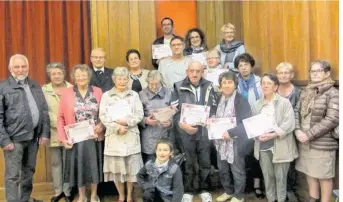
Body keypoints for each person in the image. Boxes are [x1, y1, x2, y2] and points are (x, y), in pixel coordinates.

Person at [0, 54, 50, 202]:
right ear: (10, 68)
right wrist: (4, 140)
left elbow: (44, 110)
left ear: (28, 67)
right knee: (13, 176)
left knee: (28, 173)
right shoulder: (3, 87)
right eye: (17, 67)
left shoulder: (35, 85)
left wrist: (44, 133)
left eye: (23, 66)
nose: (20, 70)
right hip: (14, 140)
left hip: (33, 138)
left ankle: (24, 199)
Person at [171, 60, 217, 202]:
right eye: (192, 71)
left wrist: (211, 118)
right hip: (185, 130)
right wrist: (182, 124)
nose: (195, 74)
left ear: (202, 72)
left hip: (204, 130)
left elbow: (214, 107)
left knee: (205, 160)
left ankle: (204, 188)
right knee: (189, 161)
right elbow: (174, 110)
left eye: (198, 71)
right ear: (187, 72)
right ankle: (189, 190)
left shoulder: (210, 85)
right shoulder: (178, 86)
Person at [58, 64, 104, 202]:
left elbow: (104, 112)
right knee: (79, 168)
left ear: (89, 77)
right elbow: (60, 117)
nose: (81, 78)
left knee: (94, 166)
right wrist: (62, 138)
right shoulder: (67, 92)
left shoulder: (97, 91)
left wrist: (101, 125)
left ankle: (94, 194)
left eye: (84, 75)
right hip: (75, 138)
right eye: (78, 76)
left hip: (93, 137)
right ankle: (82, 195)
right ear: (74, 78)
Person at [294, 60, 339, 202]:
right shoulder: (306, 91)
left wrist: (308, 134)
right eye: (312, 71)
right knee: (310, 172)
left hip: (322, 142)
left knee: (324, 176)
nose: (315, 74)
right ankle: (313, 198)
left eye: (318, 71)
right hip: (304, 141)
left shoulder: (333, 93)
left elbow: (332, 119)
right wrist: (297, 130)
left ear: (327, 73)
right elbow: (296, 111)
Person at [99, 67, 144, 202]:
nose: (122, 81)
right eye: (119, 79)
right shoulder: (106, 95)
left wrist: (126, 122)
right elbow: (103, 116)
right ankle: (121, 195)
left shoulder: (134, 95)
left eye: (125, 79)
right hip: (114, 137)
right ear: (114, 79)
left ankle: (129, 196)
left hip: (130, 135)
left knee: (131, 170)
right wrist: (117, 127)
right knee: (117, 170)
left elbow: (140, 114)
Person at [253, 74, 298, 202]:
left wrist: (273, 134)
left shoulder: (284, 102)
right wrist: (257, 134)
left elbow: (289, 124)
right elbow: (253, 124)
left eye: (269, 83)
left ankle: (281, 199)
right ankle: (271, 199)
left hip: (280, 144)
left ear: (276, 86)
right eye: (263, 83)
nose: (265, 86)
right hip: (263, 145)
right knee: (268, 176)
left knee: (281, 177)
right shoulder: (257, 104)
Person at [213, 72, 252, 202]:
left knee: (237, 170)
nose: (227, 85)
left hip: (235, 140)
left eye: (230, 82)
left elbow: (246, 122)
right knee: (223, 169)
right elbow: (213, 115)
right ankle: (228, 191)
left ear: (235, 84)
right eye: (224, 82)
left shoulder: (241, 100)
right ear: (220, 85)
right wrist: (211, 119)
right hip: (220, 141)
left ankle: (239, 195)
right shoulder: (218, 99)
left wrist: (231, 132)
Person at [234, 53, 264, 198]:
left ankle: (257, 185)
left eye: (246, 64)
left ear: (251, 65)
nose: (243, 68)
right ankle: (245, 184)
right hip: (241, 125)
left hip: (257, 122)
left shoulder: (260, 81)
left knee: (256, 156)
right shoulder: (234, 82)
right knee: (242, 155)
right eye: (240, 65)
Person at [42, 62, 73, 202]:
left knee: (68, 163)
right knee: (55, 163)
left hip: (69, 132)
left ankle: (67, 191)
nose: (56, 76)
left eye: (59, 73)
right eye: (53, 74)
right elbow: (43, 112)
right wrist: (55, 124)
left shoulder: (72, 88)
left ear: (64, 74)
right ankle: (57, 191)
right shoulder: (44, 90)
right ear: (49, 75)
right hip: (53, 132)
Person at [275, 62, 301, 202]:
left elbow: (299, 113)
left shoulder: (298, 92)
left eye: (286, 72)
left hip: (291, 132)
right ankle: (278, 192)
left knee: (290, 162)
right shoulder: (273, 89)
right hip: (274, 133)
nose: (283, 75)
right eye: (280, 73)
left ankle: (289, 190)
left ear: (292, 75)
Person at [139, 70, 173, 163]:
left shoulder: (169, 93)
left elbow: (176, 113)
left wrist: (170, 122)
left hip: (165, 133)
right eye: (151, 84)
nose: (154, 87)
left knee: (165, 164)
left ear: (161, 82)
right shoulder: (141, 94)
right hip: (149, 136)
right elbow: (137, 115)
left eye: (156, 84)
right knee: (150, 164)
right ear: (147, 82)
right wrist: (145, 120)